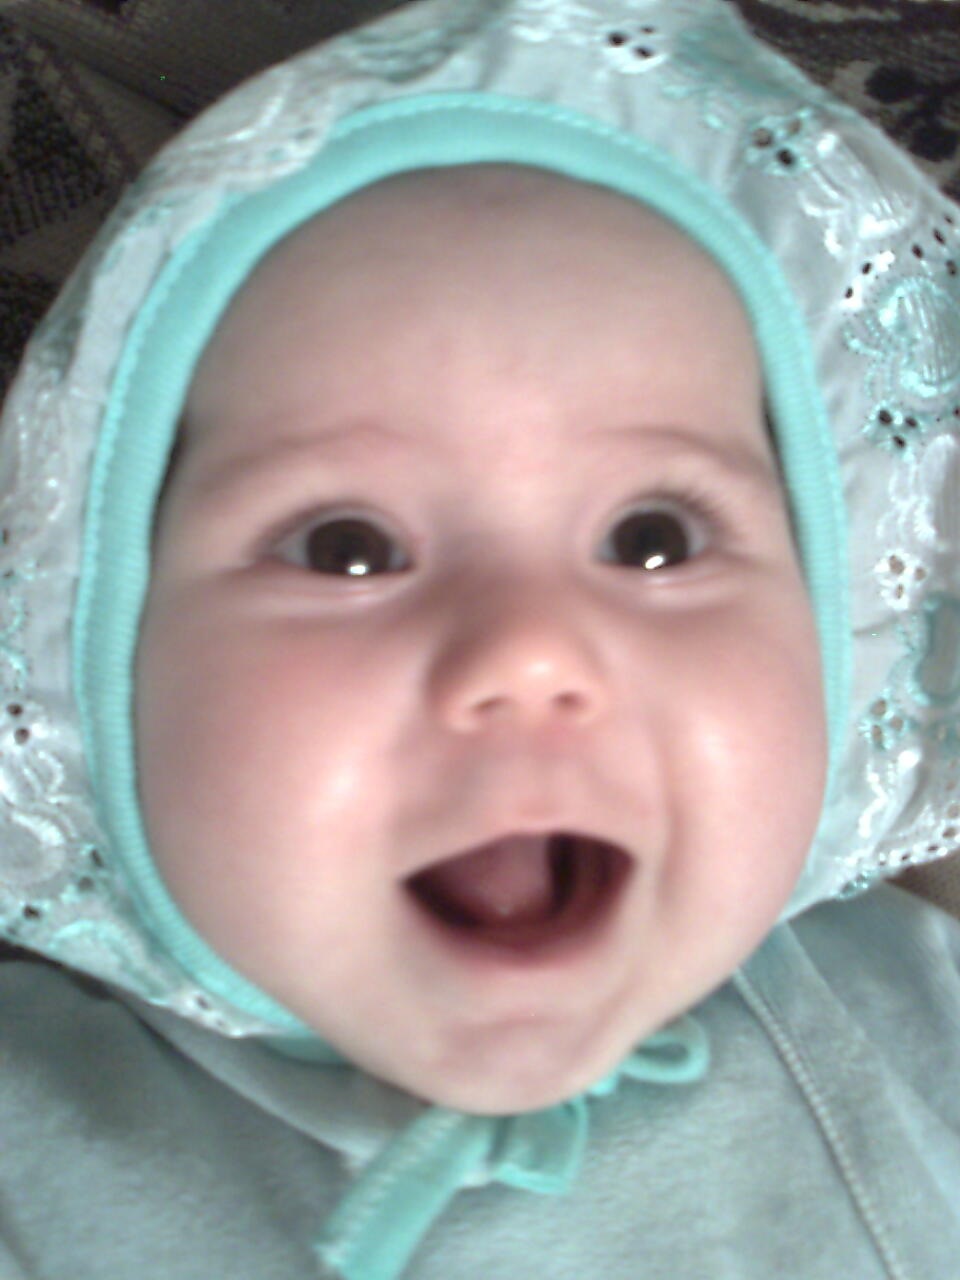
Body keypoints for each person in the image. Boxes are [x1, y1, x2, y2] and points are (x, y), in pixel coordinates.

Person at [1, 1, 959, 1277]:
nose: (528, 650)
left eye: (654, 537)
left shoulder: (916, 999)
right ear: (85, 662)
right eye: (348, 547)